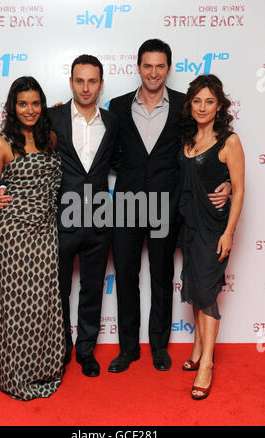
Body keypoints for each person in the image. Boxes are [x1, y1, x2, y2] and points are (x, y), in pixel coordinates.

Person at [108, 39, 231, 373]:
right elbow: (105, 150)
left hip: (167, 204)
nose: (153, 72)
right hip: (127, 205)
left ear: (168, 68)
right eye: (147, 65)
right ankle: (128, 349)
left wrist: (229, 180)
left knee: (162, 276)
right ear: (137, 67)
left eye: (160, 66)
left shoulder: (183, 106)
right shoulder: (117, 107)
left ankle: (159, 347)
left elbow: (204, 149)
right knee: (126, 278)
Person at [0, 55, 118, 378]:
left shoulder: (113, 120)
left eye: (92, 81)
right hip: (58, 221)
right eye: (80, 80)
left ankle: (86, 351)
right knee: (57, 289)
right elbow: (21, 153)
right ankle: (60, 348)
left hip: (100, 218)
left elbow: (128, 163)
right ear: (71, 82)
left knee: (92, 287)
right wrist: (0, 189)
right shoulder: (50, 118)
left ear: (101, 84)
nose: (86, 87)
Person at [0, 76, 65, 400]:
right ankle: (13, 372)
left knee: (43, 305)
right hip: (14, 237)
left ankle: (42, 368)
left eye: (35, 103)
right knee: (14, 307)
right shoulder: (1, 143)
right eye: (22, 104)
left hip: (45, 234)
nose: (29, 110)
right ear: (12, 107)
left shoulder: (51, 139)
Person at [178, 74, 245, 399]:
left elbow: (240, 188)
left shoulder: (229, 141)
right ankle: (197, 350)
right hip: (188, 227)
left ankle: (206, 364)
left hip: (213, 229)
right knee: (194, 288)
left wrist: (229, 232)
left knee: (206, 293)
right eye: (197, 101)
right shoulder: (187, 138)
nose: (203, 107)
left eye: (209, 101)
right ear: (190, 105)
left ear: (219, 106)